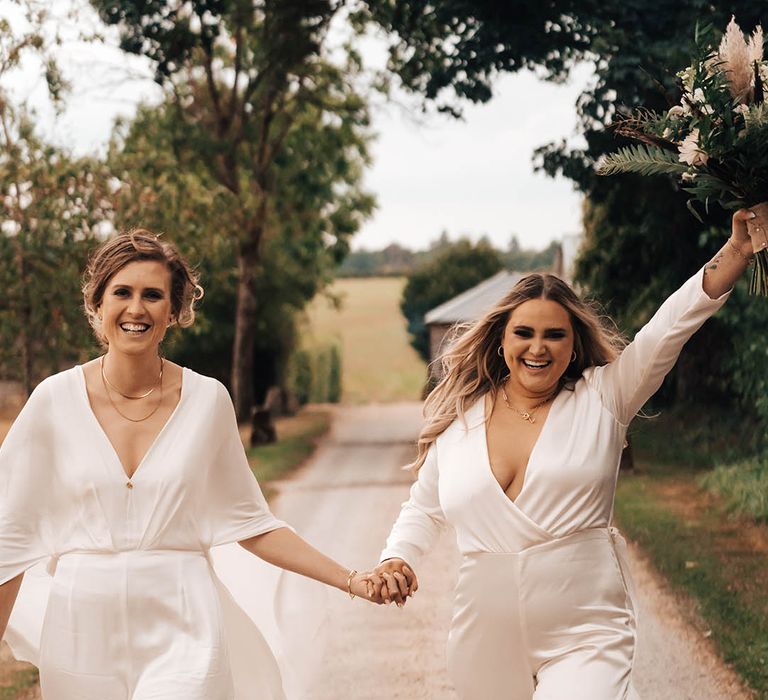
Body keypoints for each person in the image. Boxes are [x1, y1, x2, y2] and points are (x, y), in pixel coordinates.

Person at [370, 208, 764, 700]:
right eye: (524, 333)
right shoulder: (460, 421)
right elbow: (423, 507)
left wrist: (738, 250)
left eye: (554, 334)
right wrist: (396, 558)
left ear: (574, 344)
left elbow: (670, 327)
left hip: (586, 630)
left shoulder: (606, 397)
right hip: (484, 637)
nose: (539, 348)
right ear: (500, 341)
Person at [0, 229, 380, 700]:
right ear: (96, 305)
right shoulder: (52, 401)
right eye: (122, 292)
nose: (136, 308)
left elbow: (253, 523)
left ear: (174, 312)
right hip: (80, 630)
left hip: (183, 621)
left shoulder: (207, 400)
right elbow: (10, 537)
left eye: (153, 295)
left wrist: (351, 579)